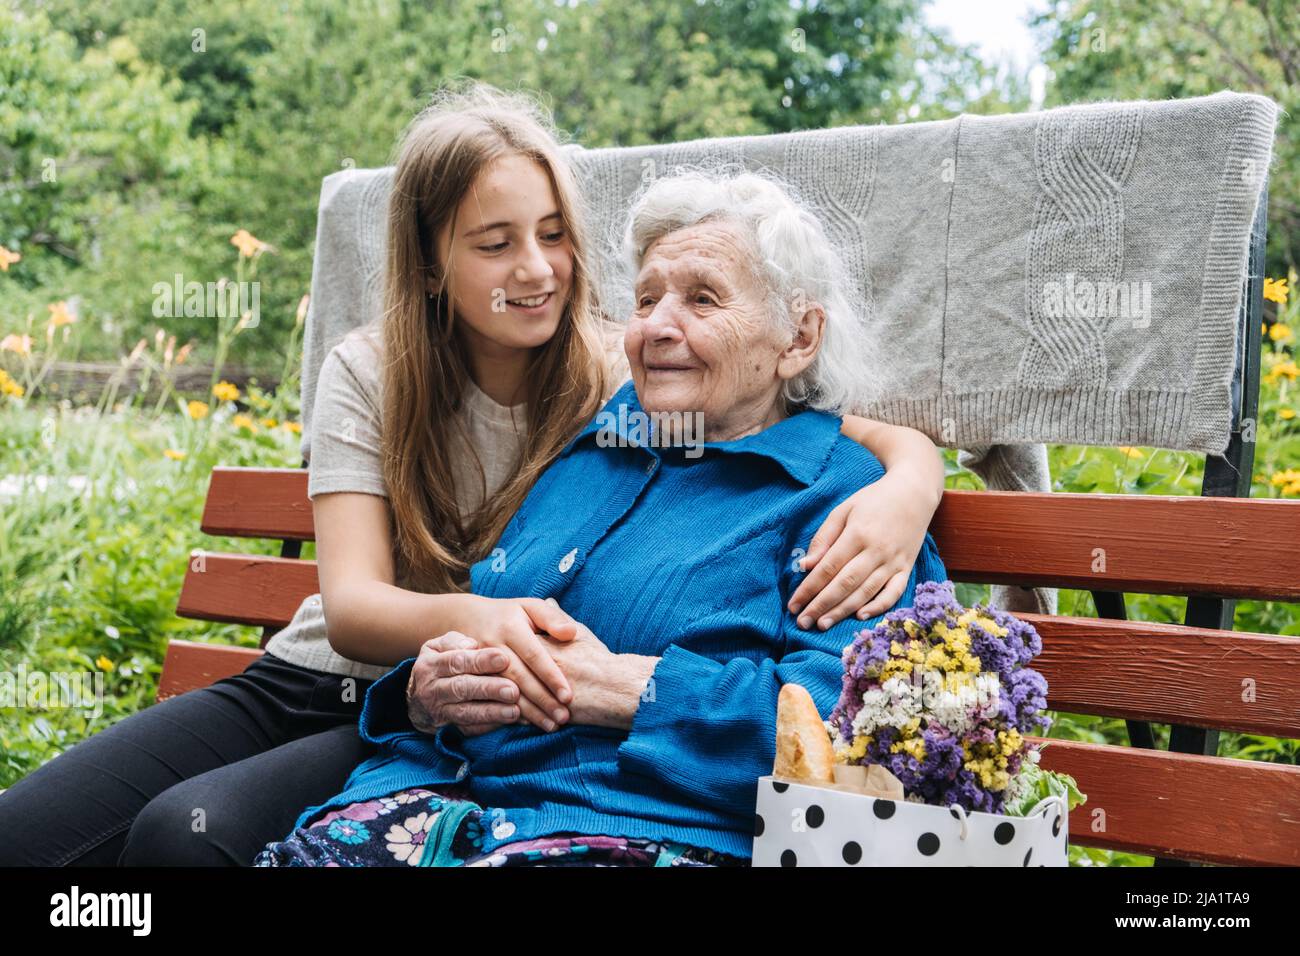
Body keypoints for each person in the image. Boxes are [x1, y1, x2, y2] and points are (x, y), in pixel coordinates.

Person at [0, 82, 943, 866]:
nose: (535, 271)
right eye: (493, 244)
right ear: (433, 262)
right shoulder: (413, 377)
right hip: (346, 686)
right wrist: (473, 651)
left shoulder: (626, 378)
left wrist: (910, 473)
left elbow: (801, 424)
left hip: (480, 752)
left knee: (185, 839)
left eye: (552, 235)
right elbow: (362, 608)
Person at [255, 168, 948, 867]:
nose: (655, 327)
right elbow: (481, 623)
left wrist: (622, 687)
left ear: (797, 338)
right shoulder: (594, 448)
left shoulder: (844, 502)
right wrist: (428, 690)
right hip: (433, 807)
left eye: (702, 299)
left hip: (637, 832)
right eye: (646, 299)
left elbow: (852, 740)